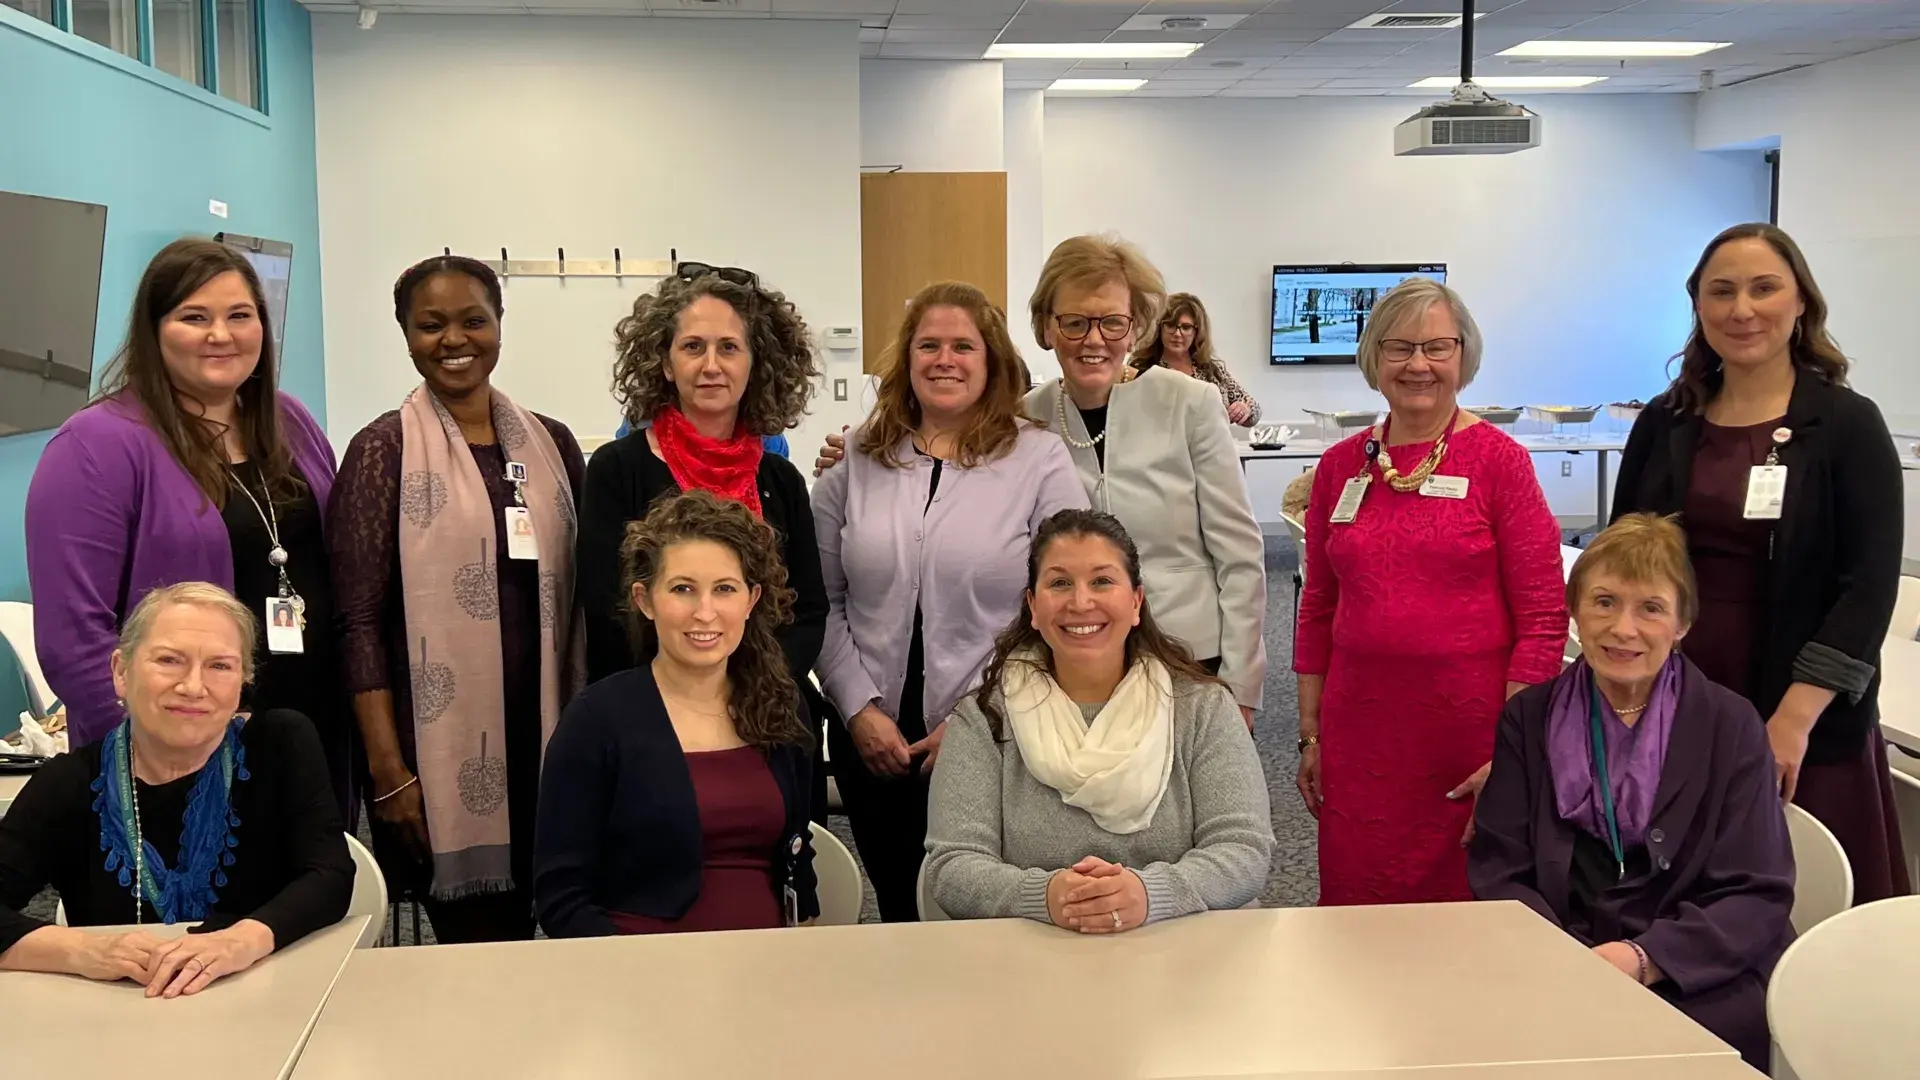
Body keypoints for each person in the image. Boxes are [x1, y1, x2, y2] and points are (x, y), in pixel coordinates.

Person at [815, 238, 1269, 726]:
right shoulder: (1024, 417)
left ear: (1136, 326)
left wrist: (1242, 682)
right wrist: (856, 453)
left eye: (1112, 322)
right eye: (1074, 322)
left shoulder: (1190, 404)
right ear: (1048, 328)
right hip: (1073, 662)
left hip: (1185, 657)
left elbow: (1240, 557)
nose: (1093, 340)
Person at [1611, 222, 1908, 903]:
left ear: (1801, 301)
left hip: (1802, 710)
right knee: (1673, 896)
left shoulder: (1846, 424)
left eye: (1764, 288)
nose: (1742, 309)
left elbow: (1867, 590)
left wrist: (1792, 722)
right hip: (1679, 696)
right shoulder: (1667, 421)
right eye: (1722, 292)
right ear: (1700, 307)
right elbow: (1624, 557)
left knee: (1801, 901)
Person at [24, 238, 351, 821]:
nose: (219, 335)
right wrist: (168, 760)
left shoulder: (290, 420)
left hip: (311, 734)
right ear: (154, 330)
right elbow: (74, 642)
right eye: (194, 317)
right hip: (179, 761)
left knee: (312, 904)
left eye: (239, 316)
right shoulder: (94, 447)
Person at [1470, 514, 1794, 1068]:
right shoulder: (1529, 717)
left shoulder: (1731, 724)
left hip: (1699, 963)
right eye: (1604, 602)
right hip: (1559, 949)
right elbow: (1500, 866)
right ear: (1575, 612)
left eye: (1650, 608)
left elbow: (1757, 890)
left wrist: (1644, 958)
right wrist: (1564, 960)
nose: (1623, 628)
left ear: (1683, 623)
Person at [329, 254, 587, 944]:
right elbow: (357, 623)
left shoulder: (553, 444)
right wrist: (388, 773)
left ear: (499, 325)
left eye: (474, 320)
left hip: (549, 740)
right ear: (405, 333)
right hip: (435, 757)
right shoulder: (382, 451)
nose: (454, 340)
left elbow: (587, 598)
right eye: (431, 324)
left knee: (566, 936)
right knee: (475, 955)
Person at [814, 280, 1088, 922]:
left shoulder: (1039, 458)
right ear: (906, 361)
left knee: (986, 907)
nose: (945, 359)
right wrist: (856, 709)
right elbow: (818, 599)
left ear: (990, 360)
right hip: (869, 740)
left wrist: (977, 716)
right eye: (929, 345)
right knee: (898, 906)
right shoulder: (857, 456)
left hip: (997, 730)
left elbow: (1068, 604)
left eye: (963, 346)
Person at [1294, 276, 1567, 906]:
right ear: (1374, 360)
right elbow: (1317, 609)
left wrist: (1516, 754)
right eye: (1398, 348)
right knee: (1357, 917)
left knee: (1463, 925)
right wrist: (1310, 734)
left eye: (1436, 347)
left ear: (1463, 357)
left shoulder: (1501, 463)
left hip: (1468, 741)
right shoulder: (1341, 466)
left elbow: (1545, 617)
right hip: (1360, 737)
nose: (1418, 364)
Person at [0, 583, 353, 997]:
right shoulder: (70, 782)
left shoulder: (281, 743)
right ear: (120, 671)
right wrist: (80, 949)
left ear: (243, 679)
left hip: (272, 1001)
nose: (193, 686)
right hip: (122, 1021)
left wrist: (240, 941)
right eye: (169, 660)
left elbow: (330, 875)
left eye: (220, 666)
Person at [925, 510, 1273, 928]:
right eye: (1059, 583)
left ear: (1136, 601)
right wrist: (1051, 896)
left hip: (1184, 962)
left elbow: (1244, 849)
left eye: (1102, 581)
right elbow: (953, 866)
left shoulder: (1204, 708)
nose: (1081, 602)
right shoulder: (983, 718)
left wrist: (1147, 895)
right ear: (1033, 606)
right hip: (1030, 967)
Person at [535, 492, 817, 936]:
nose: (705, 612)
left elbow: (797, 860)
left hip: (767, 970)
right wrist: (639, 977)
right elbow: (560, 898)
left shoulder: (782, 704)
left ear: (751, 599)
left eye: (724, 589)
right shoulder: (595, 721)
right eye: (683, 589)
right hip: (640, 976)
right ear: (645, 600)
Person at [578, 262, 825, 688]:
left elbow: (808, 613)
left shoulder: (781, 480)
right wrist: (695, 697)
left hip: (767, 710)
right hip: (651, 710)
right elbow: (608, 615)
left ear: (755, 365)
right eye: (693, 347)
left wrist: (752, 689)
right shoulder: (616, 470)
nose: (711, 365)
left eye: (729, 348)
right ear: (667, 364)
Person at [1129, 292, 1263, 427]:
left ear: (1197, 331)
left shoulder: (1212, 370)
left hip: (1214, 446)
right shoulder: (1142, 368)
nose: (1177, 334)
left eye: (1186, 327)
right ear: (1160, 328)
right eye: (1170, 325)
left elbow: (1255, 411)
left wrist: (1244, 409)